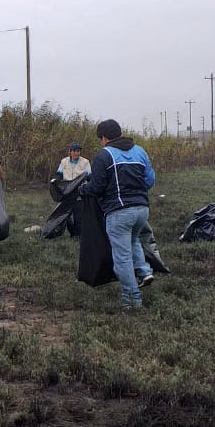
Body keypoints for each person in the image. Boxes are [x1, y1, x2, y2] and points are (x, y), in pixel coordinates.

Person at [79, 120, 156, 309]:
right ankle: (144, 271)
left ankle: (132, 300)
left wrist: (84, 189)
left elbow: (97, 187)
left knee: (122, 258)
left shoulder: (104, 155)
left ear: (104, 138)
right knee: (133, 240)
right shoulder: (140, 151)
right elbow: (150, 180)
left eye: (100, 139)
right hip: (142, 210)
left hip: (119, 212)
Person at [56, 142, 91, 238]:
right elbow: (59, 176)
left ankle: (78, 235)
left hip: (79, 192)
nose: (76, 153)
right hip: (67, 192)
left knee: (78, 215)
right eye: (74, 151)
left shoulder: (85, 162)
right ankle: (72, 233)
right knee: (67, 215)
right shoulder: (64, 161)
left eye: (78, 151)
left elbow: (89, 177)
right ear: (70, 152)